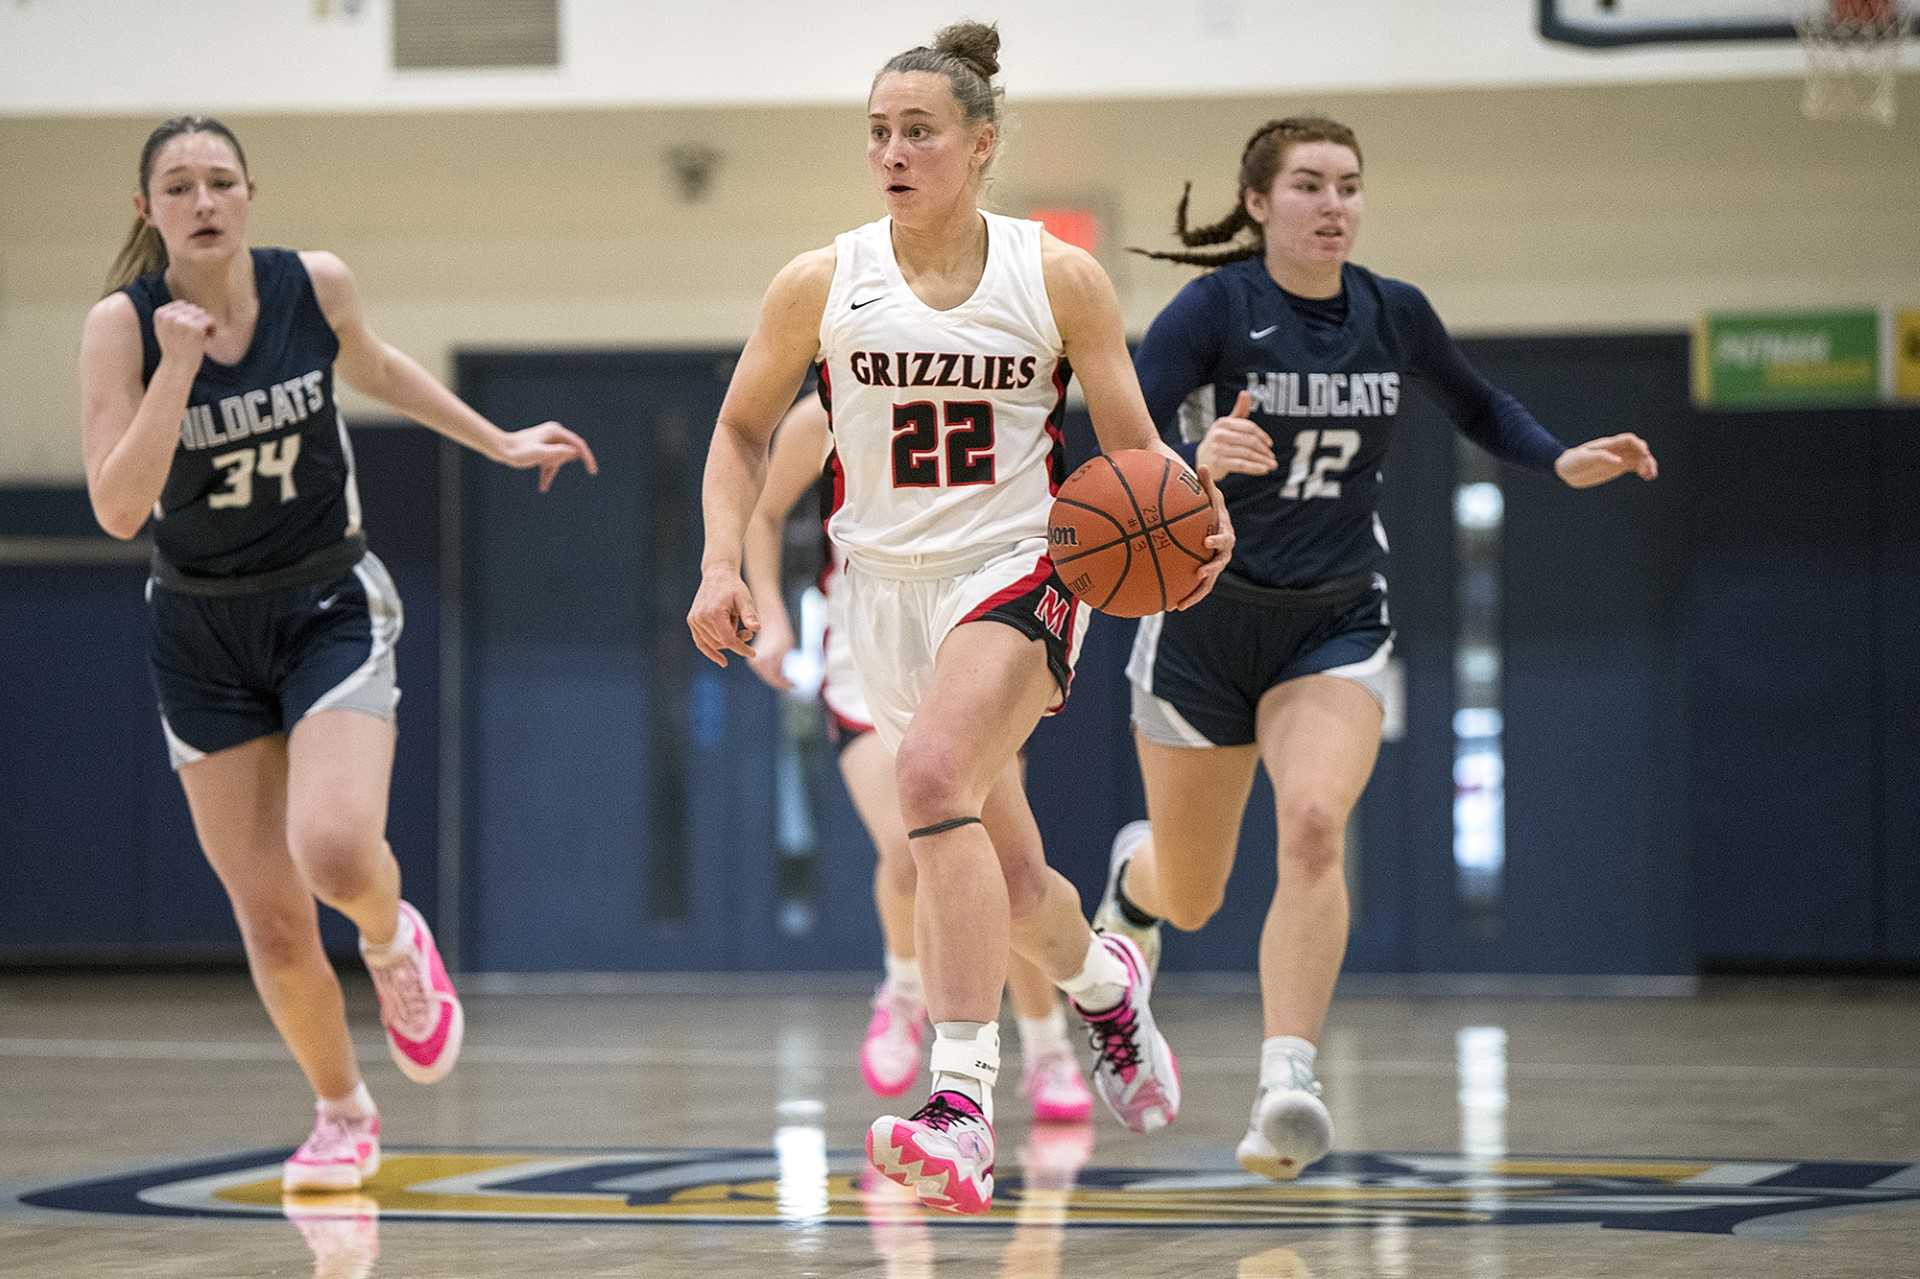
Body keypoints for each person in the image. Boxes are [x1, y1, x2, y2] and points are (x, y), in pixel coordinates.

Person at [687, 22, 1231, 1214]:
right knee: (1018, 878)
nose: (893, 150)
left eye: (919, 131)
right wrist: (723, 562)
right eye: (878, 132)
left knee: (928, 782)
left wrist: (1192, 516)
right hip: (877, 589)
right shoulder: (822, 281)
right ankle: (1104, 988)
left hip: (1019, 571)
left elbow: (1135, 452)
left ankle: (959, 1105)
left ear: (981, 145)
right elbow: (737, 430)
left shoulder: (1056, 277)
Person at [1093, 115, 1658, 1181]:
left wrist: (1556, 457)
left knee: (1312, 823)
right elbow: (1115, 431)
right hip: (1204, 623)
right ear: (1259, 203)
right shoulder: (1217, 309)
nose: (1334, 204)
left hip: (1336, 615)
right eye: (1308, 185)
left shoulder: (1393, 314)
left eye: (1349, 185)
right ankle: (1133, 884)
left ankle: (1286, 1082)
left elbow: (1479, 403)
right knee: (1195, 891)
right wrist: (1189, 456)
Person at [78, 116, 598, 1193]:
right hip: (199, 630)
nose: (204, 201)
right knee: (267, 914)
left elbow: (376, 366)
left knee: (334, 850)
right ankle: (342, 1111)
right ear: (149, 211)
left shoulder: (310, 285)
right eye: (180, 187)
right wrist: (176, 368)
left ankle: (390, 937)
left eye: (222, 180)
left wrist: (497, 440)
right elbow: (122, 508)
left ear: (251, 194)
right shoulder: (120, 329)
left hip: (326, 600)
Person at [742, 393, 1094, 1124]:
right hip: (862, 655)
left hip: (970, 639)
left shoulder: (987, 379)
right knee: (911, 849)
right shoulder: (826, 410)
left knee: (1002, 864)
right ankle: (904, 991)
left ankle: (1049, 1043)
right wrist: (770, 611)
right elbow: (764, 509)